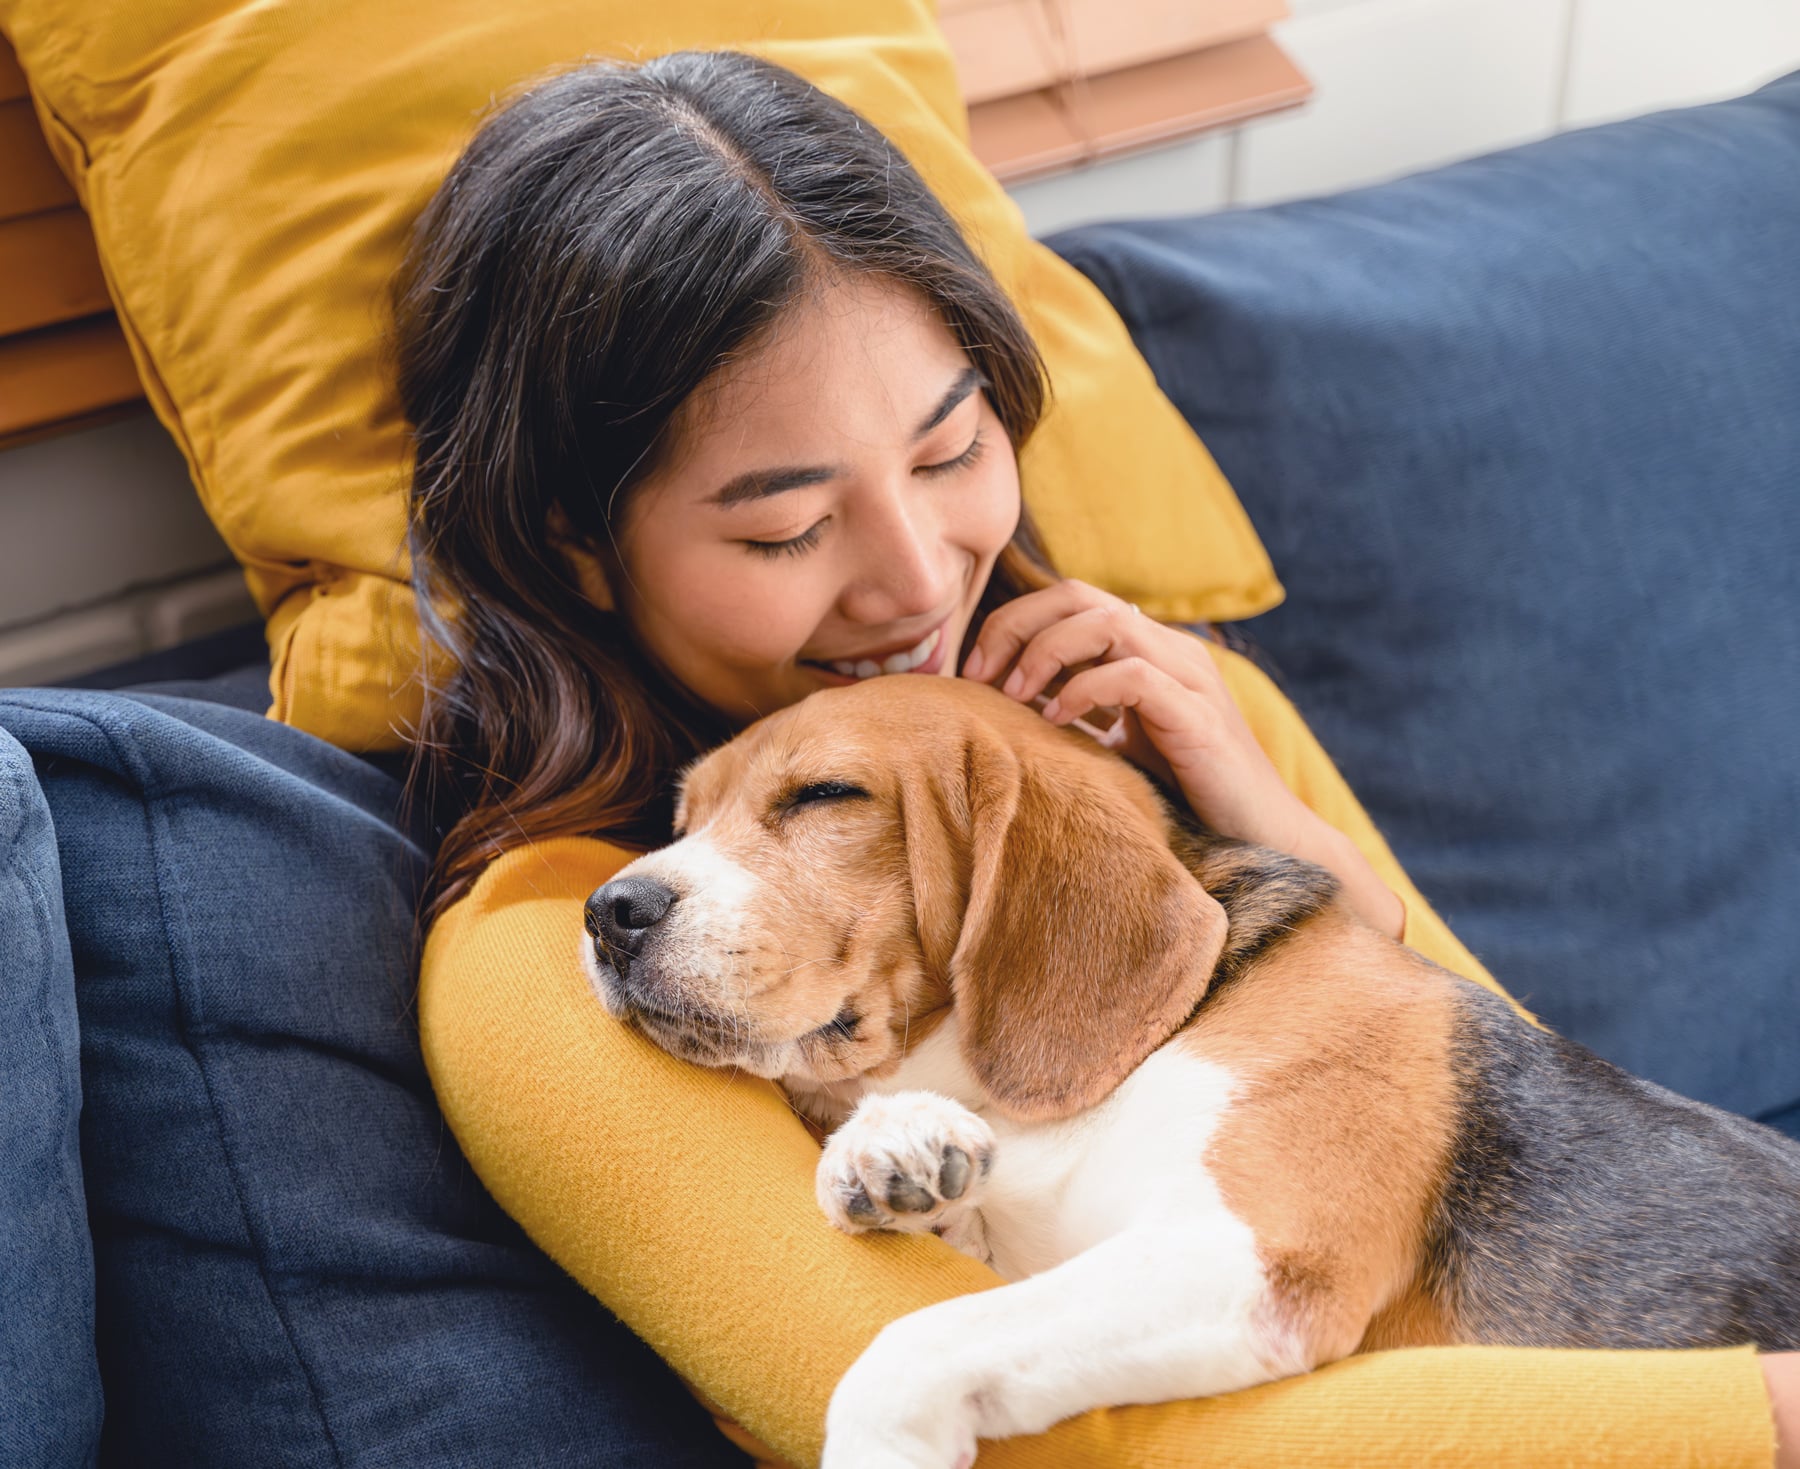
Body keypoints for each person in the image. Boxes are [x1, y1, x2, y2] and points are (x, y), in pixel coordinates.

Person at [395, 49, 1798, 1469]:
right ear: (571, 546)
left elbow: (1547, 1142)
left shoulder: (1164, 732)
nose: (916, 578)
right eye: (786, 527)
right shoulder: (546, 956)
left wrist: (1276, 838)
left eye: (948, 455)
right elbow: (1041, 1439)